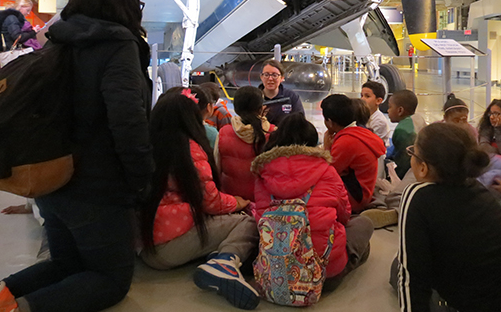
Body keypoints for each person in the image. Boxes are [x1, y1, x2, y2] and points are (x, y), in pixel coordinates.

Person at [0, 0, 155, 312]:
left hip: (53, 177)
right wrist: (141, 181)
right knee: (111, 280)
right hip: (98, 184)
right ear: (126, 3)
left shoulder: (58, 41)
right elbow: (127, 121)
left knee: (65, 264)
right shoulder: (117, 45)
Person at [397, 123, 501, 312]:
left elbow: (412, 277)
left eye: (413, 152)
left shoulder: (417, 195)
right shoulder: (478, 188)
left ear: (422, 168)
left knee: (398, 268)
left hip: (494, 305)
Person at [139, 87, 258, 310]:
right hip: (170, 248)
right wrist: (239, 202)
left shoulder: (144, 145)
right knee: (247, 221)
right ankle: (225, 263)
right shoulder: (190, 149)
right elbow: (211, 202)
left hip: (143, 244)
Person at [252, 113, 373, 292]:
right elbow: (344, 215)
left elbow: (259, 218)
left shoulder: (262, 174)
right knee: (364, 224)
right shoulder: (327, 170)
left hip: (275, 274)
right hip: (323, 274)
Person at [322, 94, 385, 213]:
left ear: (330, 122)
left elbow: (328, 172)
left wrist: (326, 147)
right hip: (365, 192)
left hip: (355, 198)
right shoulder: (360, 133)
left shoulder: (346, 141)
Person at [218, 86, 275, 201]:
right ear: (261, 108)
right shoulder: (273, 133)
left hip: (232, 200)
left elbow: (216, 168)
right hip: (265, 202)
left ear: (236, 108)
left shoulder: (224, 132)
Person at [258, 59, 304, 126]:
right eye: (266, 75)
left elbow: (300, 122)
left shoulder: (291, 97)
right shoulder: (254, 97)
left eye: (274, 75)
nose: (270, 78)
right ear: (261, 77)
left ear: (282, 78)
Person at [387, 89, 419, 178]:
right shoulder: (418, 118)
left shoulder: (402, 130)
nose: (388, 111)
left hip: (411, 174)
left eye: (390, 107)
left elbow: (403, 164)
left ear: (400, 110)